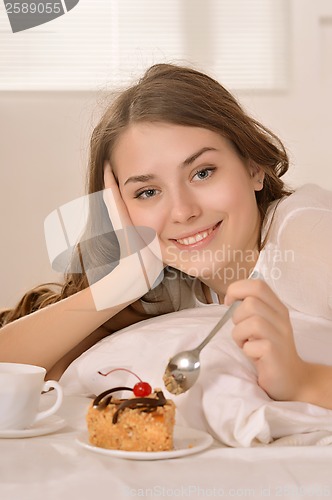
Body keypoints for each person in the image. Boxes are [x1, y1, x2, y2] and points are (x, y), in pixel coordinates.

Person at [0, 63, 331, 409]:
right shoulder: (170, 283)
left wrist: (302, 381)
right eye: (147, 192)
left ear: (253, 167)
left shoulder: (307, 236)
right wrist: (120, 286)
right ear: (120, 210)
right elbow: (16, 368)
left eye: (203, 173)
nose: (182, 211)